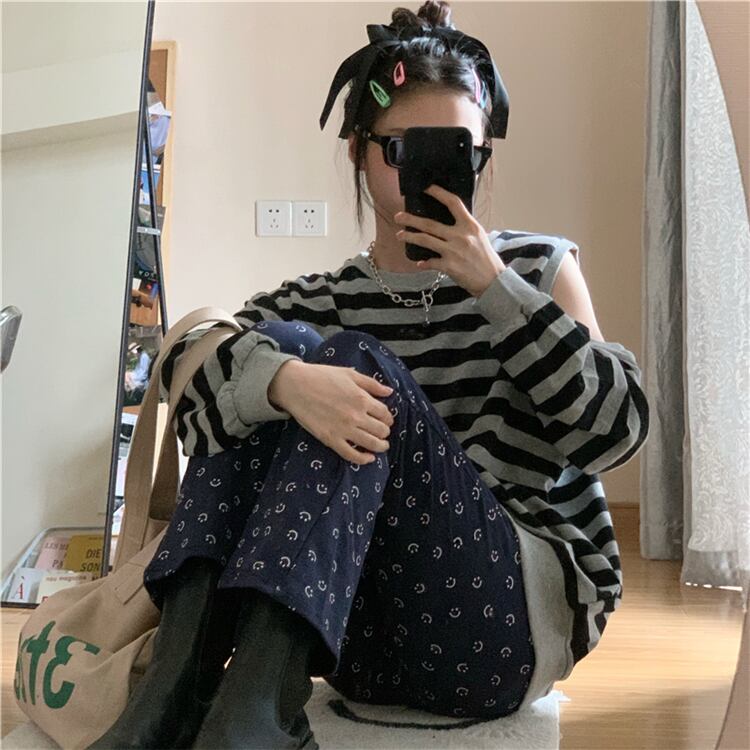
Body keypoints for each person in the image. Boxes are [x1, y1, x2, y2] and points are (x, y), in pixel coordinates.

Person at [87, 2, 650, 749]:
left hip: (498, 627)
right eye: (403, 150)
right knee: (275, 353)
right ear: (358, 151)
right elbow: (193, 396)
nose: (431, 172)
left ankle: (244, 726)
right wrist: (284, 384)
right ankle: (176, 694)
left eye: (460, 150)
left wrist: (494, 287)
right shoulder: (319, 300)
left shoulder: (536, 270)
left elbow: (616, 433)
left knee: (346, 360)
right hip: (355, 635)